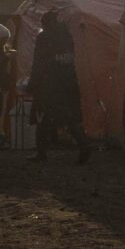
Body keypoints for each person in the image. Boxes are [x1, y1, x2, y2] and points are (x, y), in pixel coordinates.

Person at [29, 10, 92, 164]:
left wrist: (32, 83)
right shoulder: (67, 37)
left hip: (51, 86)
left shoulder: (44, 38)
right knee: (71, 119)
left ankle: (41, 153)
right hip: (69, 84)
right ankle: (84, 145)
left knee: (43, 118)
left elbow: (39, 64)